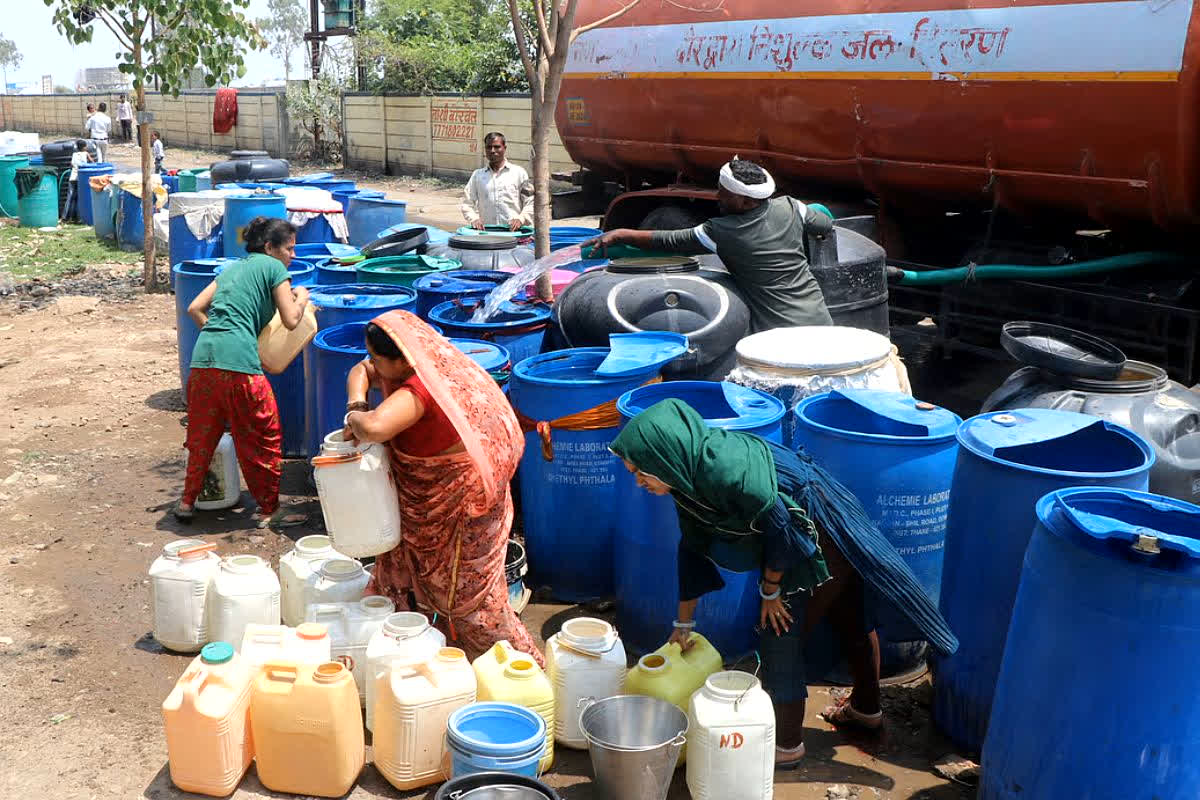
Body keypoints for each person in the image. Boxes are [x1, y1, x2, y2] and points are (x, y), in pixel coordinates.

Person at [610, 399, 958, 768]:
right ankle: (866, 710)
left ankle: (787, 747)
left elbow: (782, 526)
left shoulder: (725, 473)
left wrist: (771, 590)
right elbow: (692, 548)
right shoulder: (688, 477)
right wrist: (683, 624)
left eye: (640, 471)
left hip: (813, 532)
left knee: (778, 632)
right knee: (849, 612)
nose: (638, 481)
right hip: (811, 524)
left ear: (664, 456)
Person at [342, 310, 544, 665]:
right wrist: (357, 400)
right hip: (432, 494)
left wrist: (355, 418)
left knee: (469, 600)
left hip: (460, 500)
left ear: (403, 358)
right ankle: (422, 653)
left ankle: (519, 667)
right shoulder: (423, 359)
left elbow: (373, 428)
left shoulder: (421, 387)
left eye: (377, 358)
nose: (370, 363)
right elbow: (360, 371)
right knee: (408, 573)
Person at [585, 158, 834, 333]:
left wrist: (620, 235)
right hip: (821, 320)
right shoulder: (792, 207)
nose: (718, 196)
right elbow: (824, 223)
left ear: (747, 201)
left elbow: (669, 241)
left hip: (778, 331)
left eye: (725, 193)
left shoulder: (724, 231)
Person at [175, 217, 310, 529]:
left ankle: (186, 502)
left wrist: (221, 335)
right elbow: (291, 320)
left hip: (203, 360)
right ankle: (269, 509)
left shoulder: (231, 269)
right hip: (240, 367)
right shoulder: (275, 268)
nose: (292, 255)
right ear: (269, 247)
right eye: (289, 249)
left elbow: (194, 308)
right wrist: (301, 296)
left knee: (201, 435)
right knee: (263, 436)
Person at [460, 132, 533, 232]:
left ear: (504, 148)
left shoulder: (519, 173)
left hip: (514, 234)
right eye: (489, 147)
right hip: (487, 234)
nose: (492, 151)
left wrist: (521, 219)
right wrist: (474, 219)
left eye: (497, 147)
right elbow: (467, 203)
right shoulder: (478, 175)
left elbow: (531, 202)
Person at [63, 139, 92, 223]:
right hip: (81, 178)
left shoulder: (74, 154)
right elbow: (92, 162)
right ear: (84, 147)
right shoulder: (86, 153)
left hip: (72, 178)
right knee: (81, 198)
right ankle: (79, 218)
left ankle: (65, 217)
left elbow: (71, 164)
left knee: (70, 198)